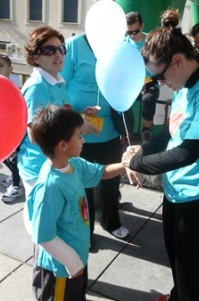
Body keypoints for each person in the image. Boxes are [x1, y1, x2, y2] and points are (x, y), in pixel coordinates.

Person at [121, 9, 199, 301]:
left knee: (189, 265)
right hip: (176, 190)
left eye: (159, 76)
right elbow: (173, 132)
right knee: (175, 257)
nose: (159, 84)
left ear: (178, 61)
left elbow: (189, 151)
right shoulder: (184, 84)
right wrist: (142, 147)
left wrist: (137, 163)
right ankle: (176, 295)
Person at [28, 104, 133, 301]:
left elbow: (101, 172)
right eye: (79, 136)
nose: (83, 139)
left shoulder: (73, 165)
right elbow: (44, 236)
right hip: (60, 268)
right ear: (63, 145)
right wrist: (73, 263)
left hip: (76, 259)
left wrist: (126, 164)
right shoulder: (50, 187)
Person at [61, 28, 129, 239]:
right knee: (83, 184)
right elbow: (61, 85)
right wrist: (75, 116)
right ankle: (85, 231)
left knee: (111, 179)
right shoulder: (74, 46)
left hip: (109, 129)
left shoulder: (116, 45)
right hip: (79, 129)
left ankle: (111, 221)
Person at [17, 26, 73, 233]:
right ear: (35, 57)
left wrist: (79, 115)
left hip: (54, 164)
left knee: (54, 221)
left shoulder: (58, 81)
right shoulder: (36, 87)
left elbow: (61, 114)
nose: (58, 54)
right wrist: (74, 126)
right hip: (38, 169)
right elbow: (34, 135)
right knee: (42, 227)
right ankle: (42, 264)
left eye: (61, 49)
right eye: (49, 50)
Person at [0, 54, 24, 202]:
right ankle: (15, 175)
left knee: (13, 158)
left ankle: (17, 186)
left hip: (12, 130)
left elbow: (17, 112)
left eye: (1, 65)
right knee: (2, 156)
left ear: (10, 69)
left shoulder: (12, 88)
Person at [125, 11, 160, 141]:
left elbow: (160, 64)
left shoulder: (151, 42)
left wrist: (152, 79)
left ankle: (146, 129)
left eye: (136, 31)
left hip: (150, 82)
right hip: (131, 83)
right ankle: (124, 130)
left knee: (148, 99)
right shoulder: (123, 43)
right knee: (120, 100)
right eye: (129, 32)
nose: (132, 35)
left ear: (142, 26)